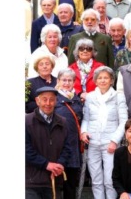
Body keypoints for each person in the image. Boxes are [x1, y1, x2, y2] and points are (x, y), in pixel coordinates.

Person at [80, 66, 128, 199]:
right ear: (95, 81)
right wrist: (83, 132)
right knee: (96, 179)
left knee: (110, 180)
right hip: (92, 143)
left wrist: (114, 141)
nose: (102, 80)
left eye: (106, 77)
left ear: (111, 80)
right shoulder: (90, 97)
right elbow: (86, 119)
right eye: (100, 78)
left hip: (110, 144)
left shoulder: (118, 96)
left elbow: (124, 121)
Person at [25, 86, 71, 199]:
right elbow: (26, 150)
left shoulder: (63, 122)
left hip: (54, 179)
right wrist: (46, 164)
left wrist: (60, 164)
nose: (48, 103)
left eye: (51, 99)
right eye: (44, 99)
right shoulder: (26, 121)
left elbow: (67, 148)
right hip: (31, 182)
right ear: (37, 101)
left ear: (56, 101)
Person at [53, 68, 84, 199]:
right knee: (55, 184)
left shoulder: (78, 99)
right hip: (56, 147)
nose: (66, 83)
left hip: (73, 147)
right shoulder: (53, 98)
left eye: (69, 80)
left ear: (74, 82)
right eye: (63, 80)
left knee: (70, 184)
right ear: (58, 81)